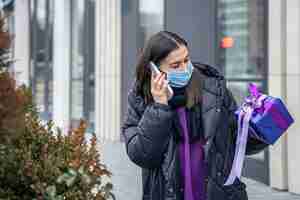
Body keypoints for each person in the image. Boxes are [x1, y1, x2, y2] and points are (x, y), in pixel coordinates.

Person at [121, 31, 268, 200]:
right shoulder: (140, 97)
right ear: (154, 69)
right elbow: (142, 155)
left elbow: (236, 142)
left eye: (186, 60)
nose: (185, 69)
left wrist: (261, 127)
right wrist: (159, 106)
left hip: (217, 192)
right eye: (175, 65)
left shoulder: (213, 88)